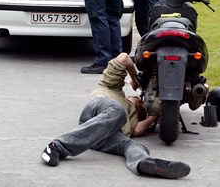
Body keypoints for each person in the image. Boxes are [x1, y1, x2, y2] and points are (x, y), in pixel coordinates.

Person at [40, 53, 191, 179]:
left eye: (141, 111)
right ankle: (57, 146)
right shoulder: (113, 88)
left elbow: (137, 131)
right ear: (130, 97)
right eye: (137, 100)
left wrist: (153, 117)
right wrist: (134, 79)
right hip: (98, 110)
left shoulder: (132, 120)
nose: (139, 105)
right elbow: (124, 58)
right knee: (118, 112)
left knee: (133, 145)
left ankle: (144, 164)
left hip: (99, 138)